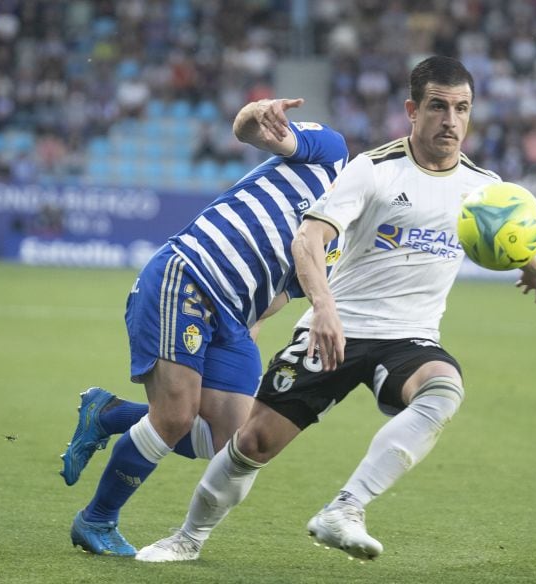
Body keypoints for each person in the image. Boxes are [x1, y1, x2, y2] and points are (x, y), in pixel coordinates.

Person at [133, 55, 536, 563]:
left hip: (408, 337)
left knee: (444, 389)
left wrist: (529, 264)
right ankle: (188, 538)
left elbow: (503, 227)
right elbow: (308, 241)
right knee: (253, 442)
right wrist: (325, 308)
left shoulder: (484, 188)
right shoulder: (372, 170)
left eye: (462, 108)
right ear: (412, 110)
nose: (451, 120)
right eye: (438, 107)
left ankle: (346, 508)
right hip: (336, 325)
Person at [63, 97, 348, 556]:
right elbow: (251, 131)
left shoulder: (338, 244)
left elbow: (280, 292)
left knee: (230, 442)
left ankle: (110, 413)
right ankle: (96, 519)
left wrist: (250, 325)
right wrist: (257, 114)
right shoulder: (332, 153)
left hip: (234, 316)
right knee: (174, 417)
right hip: (191, 273)